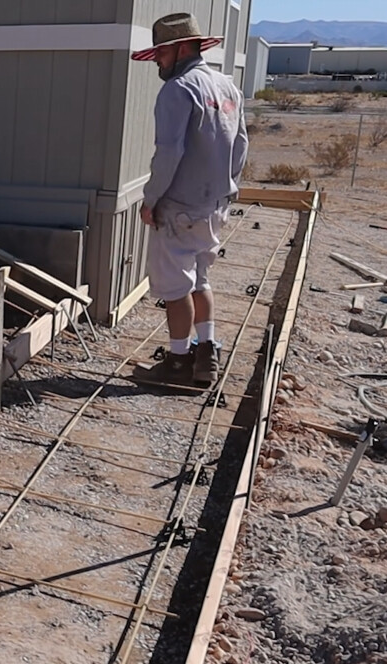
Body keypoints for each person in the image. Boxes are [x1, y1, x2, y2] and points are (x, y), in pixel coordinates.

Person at [132, 13, 248, 389]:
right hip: (214, 203)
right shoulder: (227, 87)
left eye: (162, 54)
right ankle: (206, 355)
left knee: (176, 287)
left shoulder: (179, 89)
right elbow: (241, 146)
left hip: (179, 206)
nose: (158, 63)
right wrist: (226, 186)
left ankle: (179, 361)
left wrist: (151, 201)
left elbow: (168, 153)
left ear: (182, 48)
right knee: (200, 279)